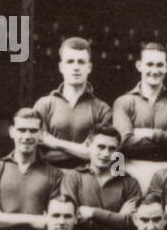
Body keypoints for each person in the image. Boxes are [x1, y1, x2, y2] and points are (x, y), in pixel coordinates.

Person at [0, 107, 66, 230]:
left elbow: (52, 222)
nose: (27, 136)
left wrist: (3, 218)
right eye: (22, 130)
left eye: (33, 130)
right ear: (12, 131)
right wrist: (31, 220)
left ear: (41, 134)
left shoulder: (55, 175)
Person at [112, 42, 167, 191]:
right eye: (149, 64)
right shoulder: (123, 102)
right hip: (131, 173)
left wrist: (151, 134)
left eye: (159, 65)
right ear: (139, 66)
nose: (154, 70)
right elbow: (123, 143)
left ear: (166, 67)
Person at [32, 36, 112, 169]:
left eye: (81, 62)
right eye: (70, 61)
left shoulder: (102, 109)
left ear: (89, 67)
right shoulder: (44, 105)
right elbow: (39, 150)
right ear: (61, 67)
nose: (75, 67)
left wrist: (55, 143)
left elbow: (99, 154)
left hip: (87, 179)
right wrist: (82, 150)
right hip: (50, 179)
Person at [62, 124, 141, 230]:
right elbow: (70, 218)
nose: (106, 154)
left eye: (112, 149)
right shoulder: (73, 177)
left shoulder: (129, 182)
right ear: (88, 145)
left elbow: (130, 222)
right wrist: (116, 219)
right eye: (101, 147)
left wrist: (92, 213)